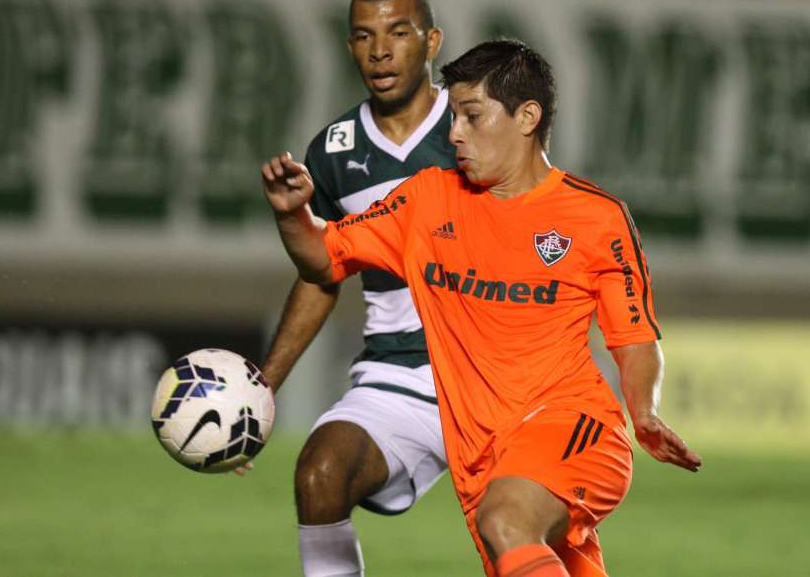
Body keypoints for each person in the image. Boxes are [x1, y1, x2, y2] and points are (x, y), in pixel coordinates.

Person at [261, 39, 702, 577]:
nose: (454, 134)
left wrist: (643, 412)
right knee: (511, 535)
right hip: (482, 455)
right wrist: (293, 217)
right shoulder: (427, 199)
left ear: (527, 117)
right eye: (453, 117)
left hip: (574, 427)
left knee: (506, 522)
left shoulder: (596, 218)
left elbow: (634, 340)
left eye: (471, 116)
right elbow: (324, 260)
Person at [246, 0, 454, 577]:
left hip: (491, 375)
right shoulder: (332, 153)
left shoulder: (476, 128)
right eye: (364, 36)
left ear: (432, 41)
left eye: (399, 32)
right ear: (349, 47)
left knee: (511, 526)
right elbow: (323, 275)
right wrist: (264, 388)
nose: (380, 50)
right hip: (398, 377)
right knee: (319, 475)